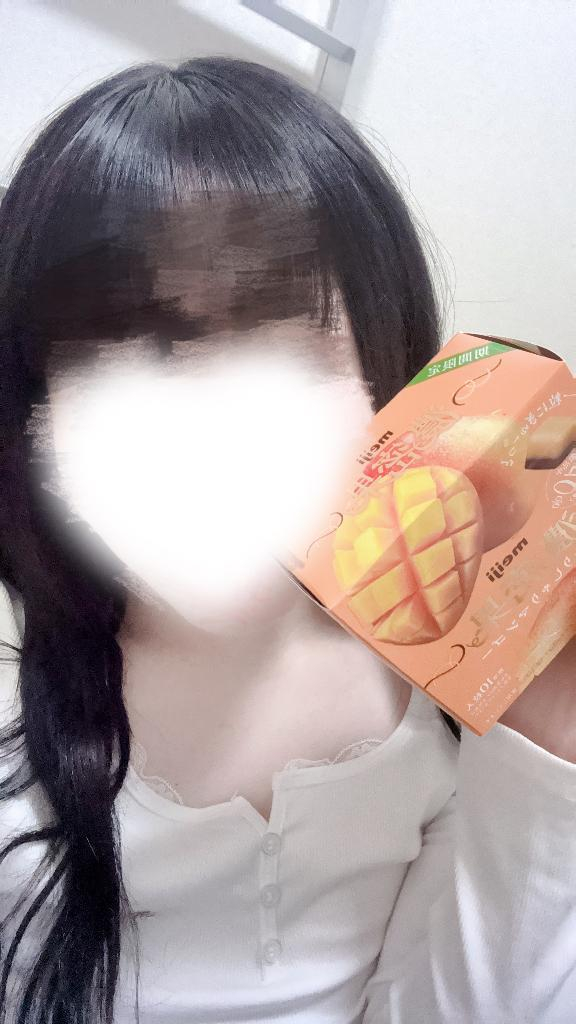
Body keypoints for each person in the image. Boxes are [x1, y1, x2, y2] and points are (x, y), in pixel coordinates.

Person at [0, 57, 574, 1024]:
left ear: (385, 377)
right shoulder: (24, 768)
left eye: (283, 347)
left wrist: (547, 737)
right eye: (123, 356)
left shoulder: (436, 688)